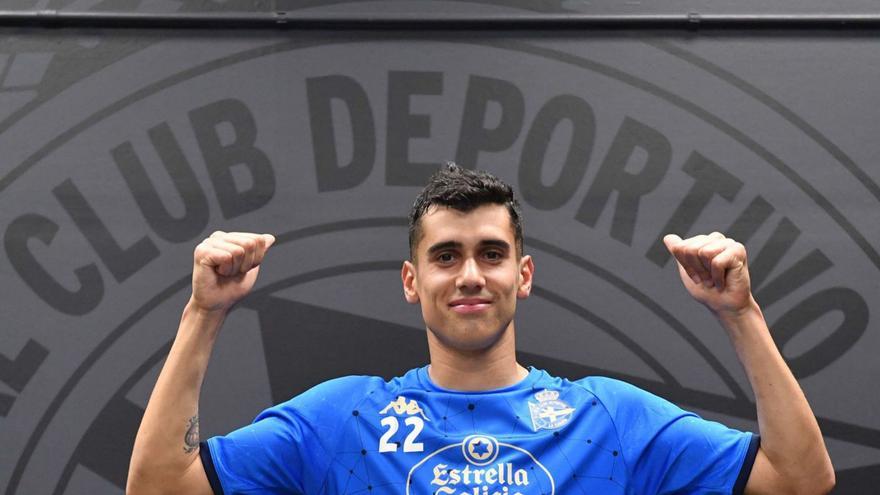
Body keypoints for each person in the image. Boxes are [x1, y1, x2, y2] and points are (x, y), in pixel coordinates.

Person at [127, 163, 834, 494]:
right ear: (413, 282)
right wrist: (203, 313)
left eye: (491, 254)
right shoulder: (342, 419)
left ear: (523, 275)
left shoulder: (612, 419)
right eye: (446, 255)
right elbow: (157, 486)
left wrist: (740, 315)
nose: (471, 274)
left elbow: (801, 479)